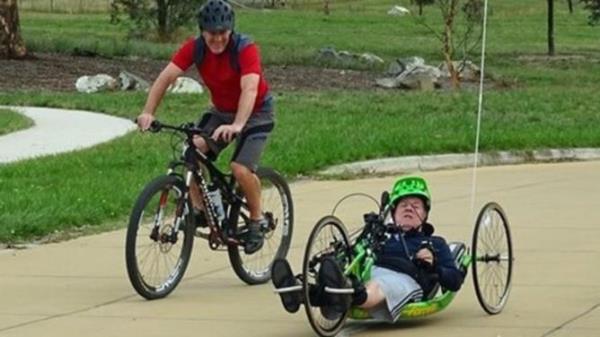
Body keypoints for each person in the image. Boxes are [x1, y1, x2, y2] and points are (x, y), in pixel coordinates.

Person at [136, 0, 274, 254]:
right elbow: (166, 77)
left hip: (256, 112)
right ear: (202, 31)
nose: (218, 39)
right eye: (212, 33)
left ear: (231, 30)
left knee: (240, 168)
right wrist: (148, 112)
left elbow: (250, 88)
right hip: (221, 112)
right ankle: (202, 209)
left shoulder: (245, 48)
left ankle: (256, 220)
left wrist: (238, 124)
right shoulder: (195, 48)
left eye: (223, 32)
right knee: (191, 152)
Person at [271, 175, 465, 322]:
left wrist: (433, 266)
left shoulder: (435, 243)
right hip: (371, 271)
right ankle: (300, 290)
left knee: (378, 285)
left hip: (407, 279)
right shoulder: (380, 235)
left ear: (425, 214)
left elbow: (454, 281)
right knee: (345, 269)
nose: (409, 209)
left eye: (416, 206)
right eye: (403, 205)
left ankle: (350, 295)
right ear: (393, 213)